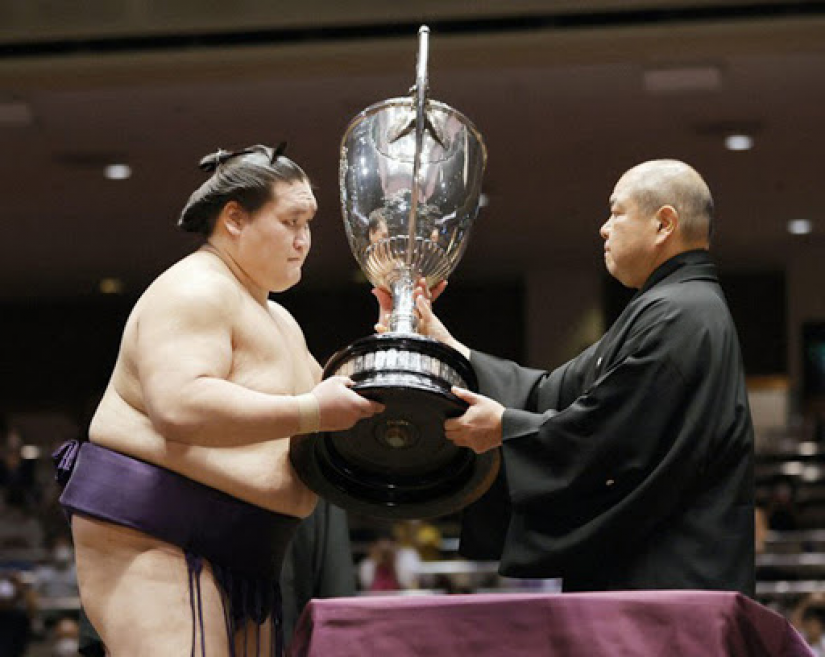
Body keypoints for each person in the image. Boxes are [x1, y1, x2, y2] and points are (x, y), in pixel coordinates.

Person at [53, 143, 383, 656]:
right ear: (234, 218)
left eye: (308, 225)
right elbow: (180, 405)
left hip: (249, 549)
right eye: (290, 222)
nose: (303, 240)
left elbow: (333, 405)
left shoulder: (278, 318)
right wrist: (313, 410)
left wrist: (390, 345)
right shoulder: (195, 288)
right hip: (156, 536)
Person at [379, 159, 755, 594]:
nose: (604, 228)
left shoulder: (683, 314)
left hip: (673, 583)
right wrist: (447, 347)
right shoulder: (671, 307)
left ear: (664, 224)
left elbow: (609, 435)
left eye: (616, 212)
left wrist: (504, 429)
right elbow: (555, 391)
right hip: (659, 578)